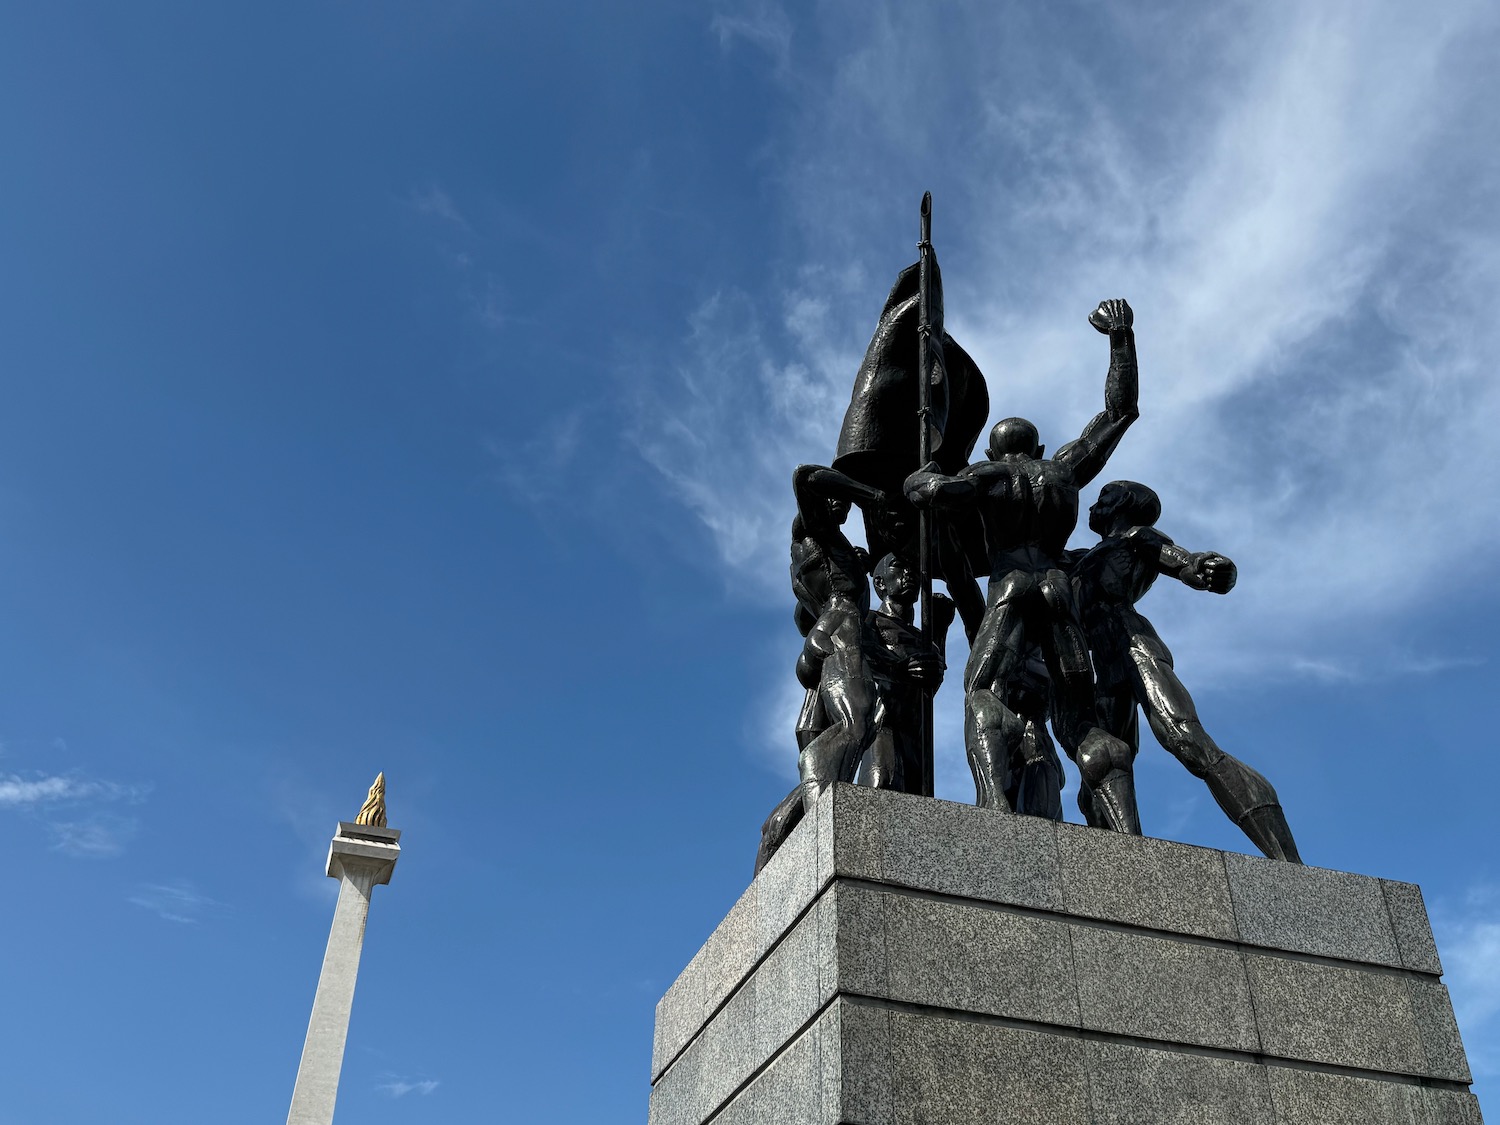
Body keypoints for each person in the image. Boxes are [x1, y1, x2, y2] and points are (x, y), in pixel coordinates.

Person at [904, 299, 1143, 832]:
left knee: (982, 691)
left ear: (994, 448)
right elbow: (1118, 413)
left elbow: (935, 491)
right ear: (1036, 445)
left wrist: (917, 479)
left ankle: (994, 808)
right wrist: (1120, 341)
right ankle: (1127, 833)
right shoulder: (1061, 470)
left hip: (1010, 588)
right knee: (1080, 720)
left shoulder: (987, 476)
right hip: (1058, 590)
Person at [1068, 480, 1302, 861]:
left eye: (1105, 497)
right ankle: (1122, 869)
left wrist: (1208, 567)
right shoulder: (1080, 558)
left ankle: (1287, 860)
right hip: (1105, 667)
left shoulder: (1136, 537)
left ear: (1125, 504)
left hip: (1134, 646)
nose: (1094, 504)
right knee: (1097, 776)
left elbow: (1181, 560)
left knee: (1189, 742)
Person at [855, 554, 953, 795]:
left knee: (919, 803)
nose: (909, 574)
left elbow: (931, 684)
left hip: (917, 732)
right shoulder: (869, 620)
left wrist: (940, 631)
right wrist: (898, 669)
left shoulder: (923, 635)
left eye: (913, 569)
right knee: (880, 789)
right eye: (899, 567)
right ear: (880, 583)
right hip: (883, 725)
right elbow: (861, 657)